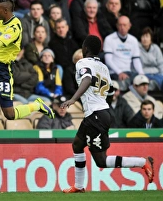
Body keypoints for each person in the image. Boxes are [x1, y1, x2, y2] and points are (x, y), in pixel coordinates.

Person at [60, 35, 154, 193]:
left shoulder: (82, 62)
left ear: (85, 49)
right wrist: (103, 108)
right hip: (100, 112)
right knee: (77, 144)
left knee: (101, 161)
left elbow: (87, 79)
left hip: (96, 114)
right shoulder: (103, 67)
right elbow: (110, 91)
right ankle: (79, 186)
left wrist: (73, 98)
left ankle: (142, 162)